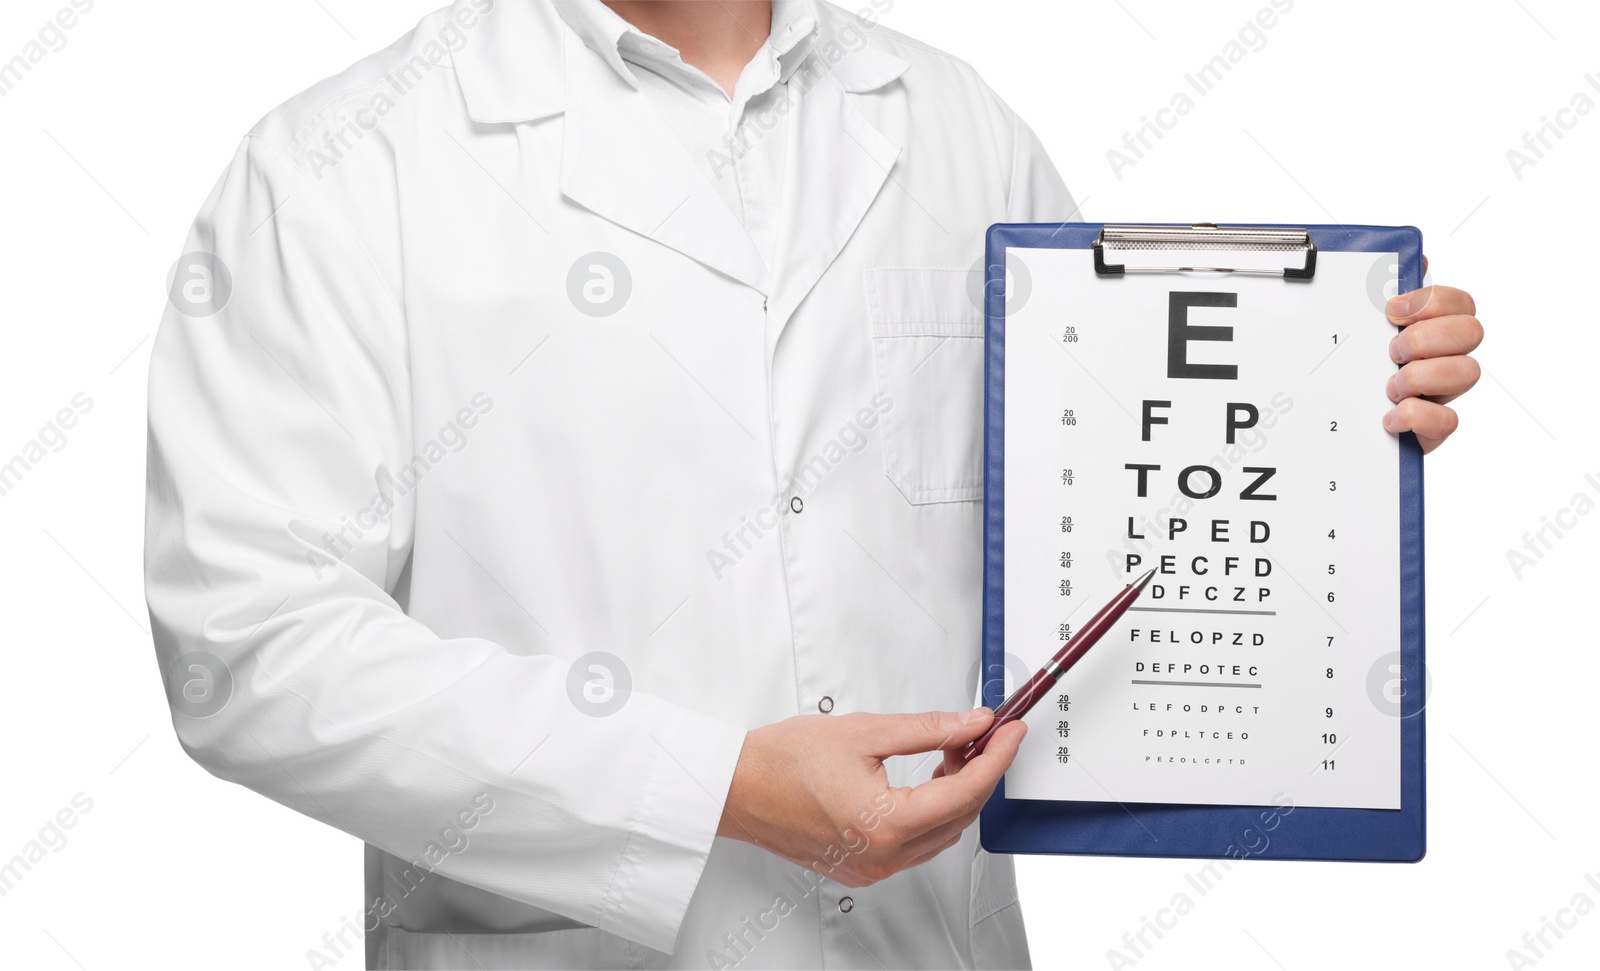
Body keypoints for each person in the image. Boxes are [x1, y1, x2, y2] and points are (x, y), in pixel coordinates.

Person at [144, 1, 1484, 968]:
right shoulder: (340, 167)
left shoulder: (954, 120)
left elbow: (1103, 500)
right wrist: (711, 786)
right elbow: (253, 652)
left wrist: (1324, 427)